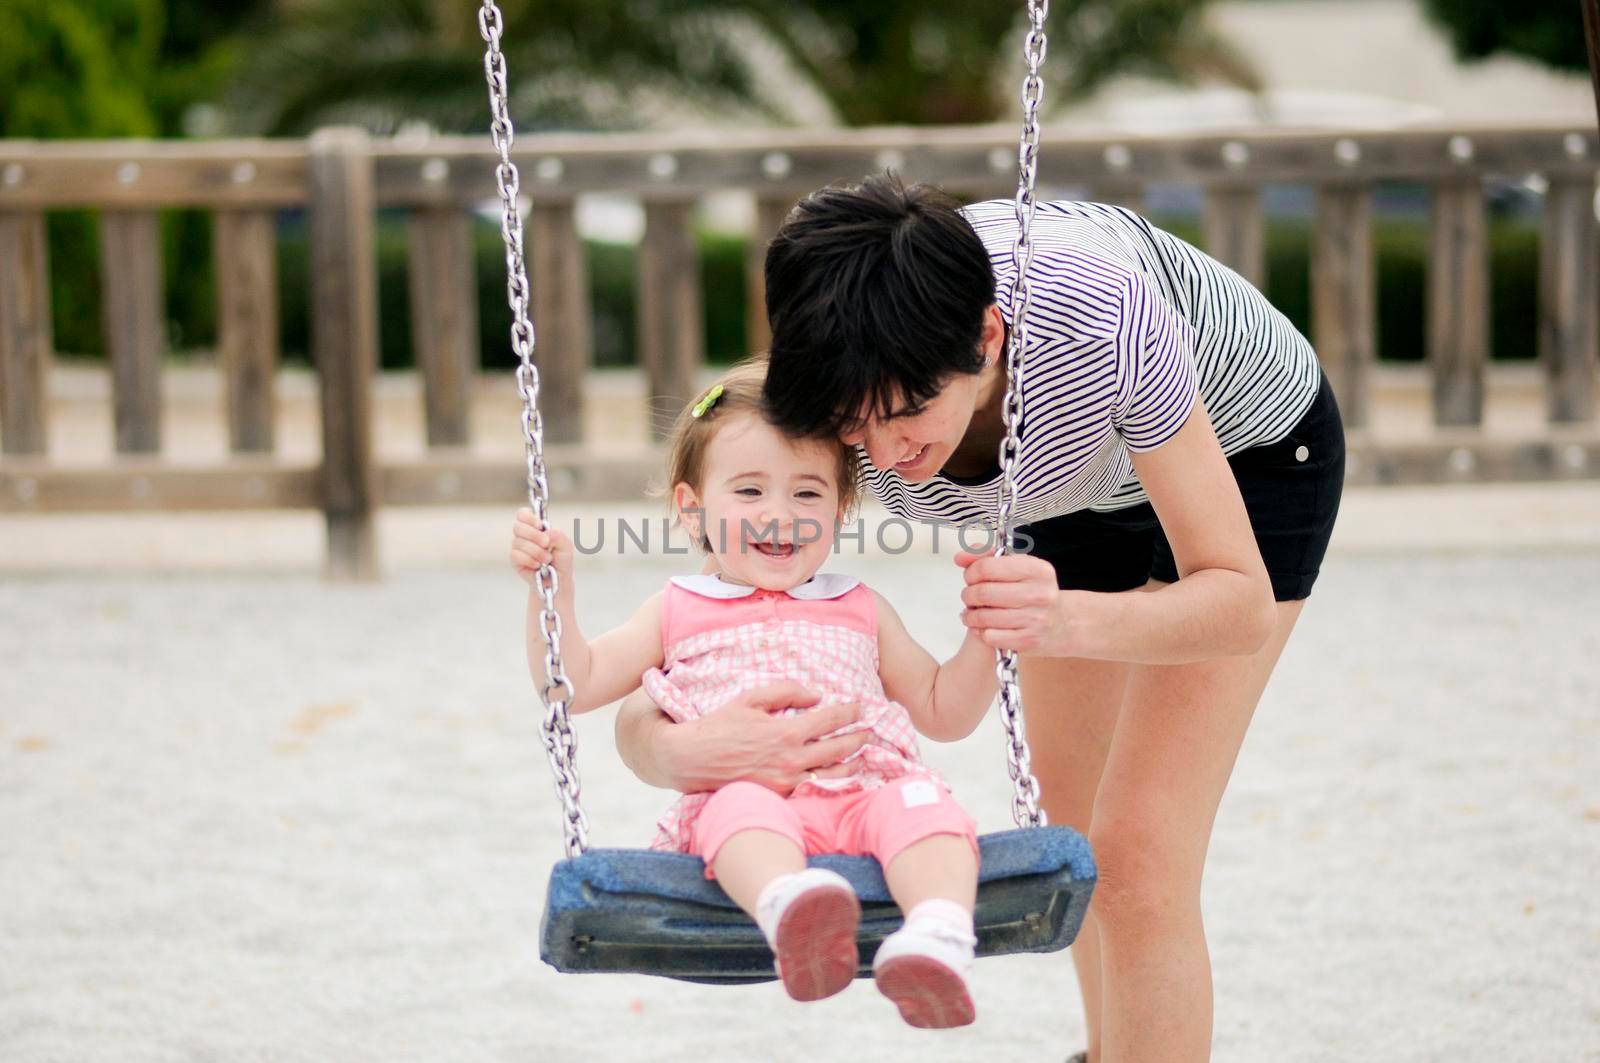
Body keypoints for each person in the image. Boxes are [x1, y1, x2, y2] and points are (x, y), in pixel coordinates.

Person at [617, 175, 1345, 1062]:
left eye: (908, 417)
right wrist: (663, 746)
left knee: (1142, 853)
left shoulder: (1100, 313)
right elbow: (713, 626)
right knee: (1074, 832)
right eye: (855, 427)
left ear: (988, 336)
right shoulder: (831, 393)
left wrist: (1065, 620)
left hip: (1247, 451)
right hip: (1061, 485)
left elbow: (1236, 607)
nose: (883, 456)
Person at [510, 359, 999, 1029]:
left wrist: (985, 634)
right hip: (753, 805)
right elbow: (575, 680)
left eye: (807, 493)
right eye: (748, 490)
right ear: (692, 506)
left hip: (869, 792)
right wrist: (552, 594)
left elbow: (945, 710)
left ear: (841, 507)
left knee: (925, 806)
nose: (780, 515)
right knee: (736, 808)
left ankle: (937, 935)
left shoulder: (860, 605)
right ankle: (791, 908)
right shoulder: (677, 607)